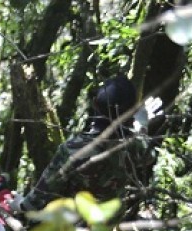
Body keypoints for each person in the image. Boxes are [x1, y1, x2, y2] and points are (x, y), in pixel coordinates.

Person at [17, 75, 155, 217]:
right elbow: (148, 155)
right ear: (130, 116)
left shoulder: (72, 150)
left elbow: (34, 203)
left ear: (94, 103)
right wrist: (142, 125)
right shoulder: (133, 147)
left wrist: (18, 204)